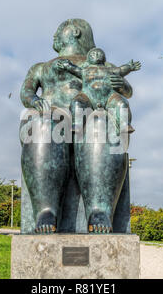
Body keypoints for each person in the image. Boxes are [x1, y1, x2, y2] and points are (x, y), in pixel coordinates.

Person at [20, 19, 133, 233]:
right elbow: (26, 92)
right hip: (52, 117)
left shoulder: (104, 66)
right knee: (45, 123)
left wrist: (123, 87)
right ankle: (46, 210)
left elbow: (125, 90)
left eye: (58, 31)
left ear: (74, 32)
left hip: (90, 115)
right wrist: (35, 101)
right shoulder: (41, 68)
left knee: (99, 122)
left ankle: (100, 209)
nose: (54, 36)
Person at [56, 47, 140, 134]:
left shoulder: (111, 70)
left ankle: (124, 124)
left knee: (122, 103)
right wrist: (67, 66)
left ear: (104, 58)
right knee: (77, 103)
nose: (96, 55)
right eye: (93, 54)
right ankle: (77, 124)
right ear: (88, 59)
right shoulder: (85, 71)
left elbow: (121, 69)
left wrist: (129, 67)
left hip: (109, 97)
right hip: (88, 96)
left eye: (99, 54)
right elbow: (75, 69)